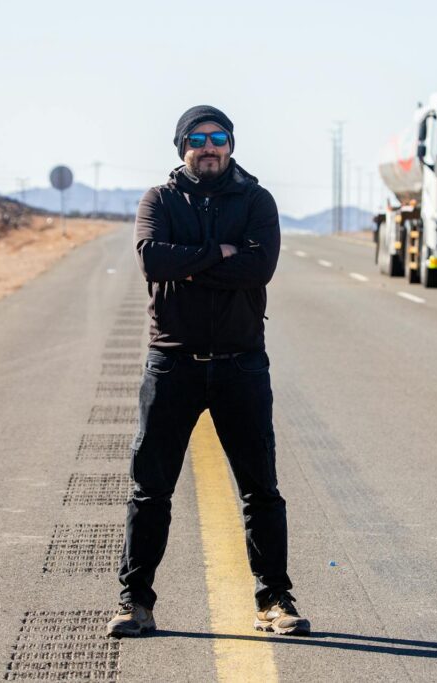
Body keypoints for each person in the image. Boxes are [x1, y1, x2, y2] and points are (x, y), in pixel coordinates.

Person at [106, 105, 310, 638]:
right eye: (198, 139)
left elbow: (259, 268)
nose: (209, 146)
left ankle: (275, 601)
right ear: (182, 148)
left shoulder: (257, 200)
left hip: (241, 364)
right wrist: (221, 253)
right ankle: (136, 602)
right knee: (150, 490)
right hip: (172, 364)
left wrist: (192, 264)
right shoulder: (159, 200)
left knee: (260, 490)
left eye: (218, 137)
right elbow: (153, 260)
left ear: (231, 145)